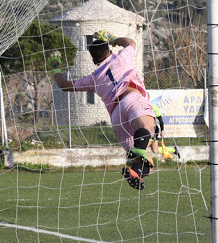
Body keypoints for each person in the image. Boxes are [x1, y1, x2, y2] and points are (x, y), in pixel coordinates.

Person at [48, 31, 156, 190]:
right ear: (110, 50)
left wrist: (56, 70)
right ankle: (138, 155)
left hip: (116, 115)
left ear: (93, 60)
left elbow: (65, 86)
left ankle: (136, 170)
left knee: (146, 163)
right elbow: (130, 42)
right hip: (132, 99)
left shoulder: (93, 79)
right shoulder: (121, 57)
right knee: (145, 128)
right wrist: (113, 39)